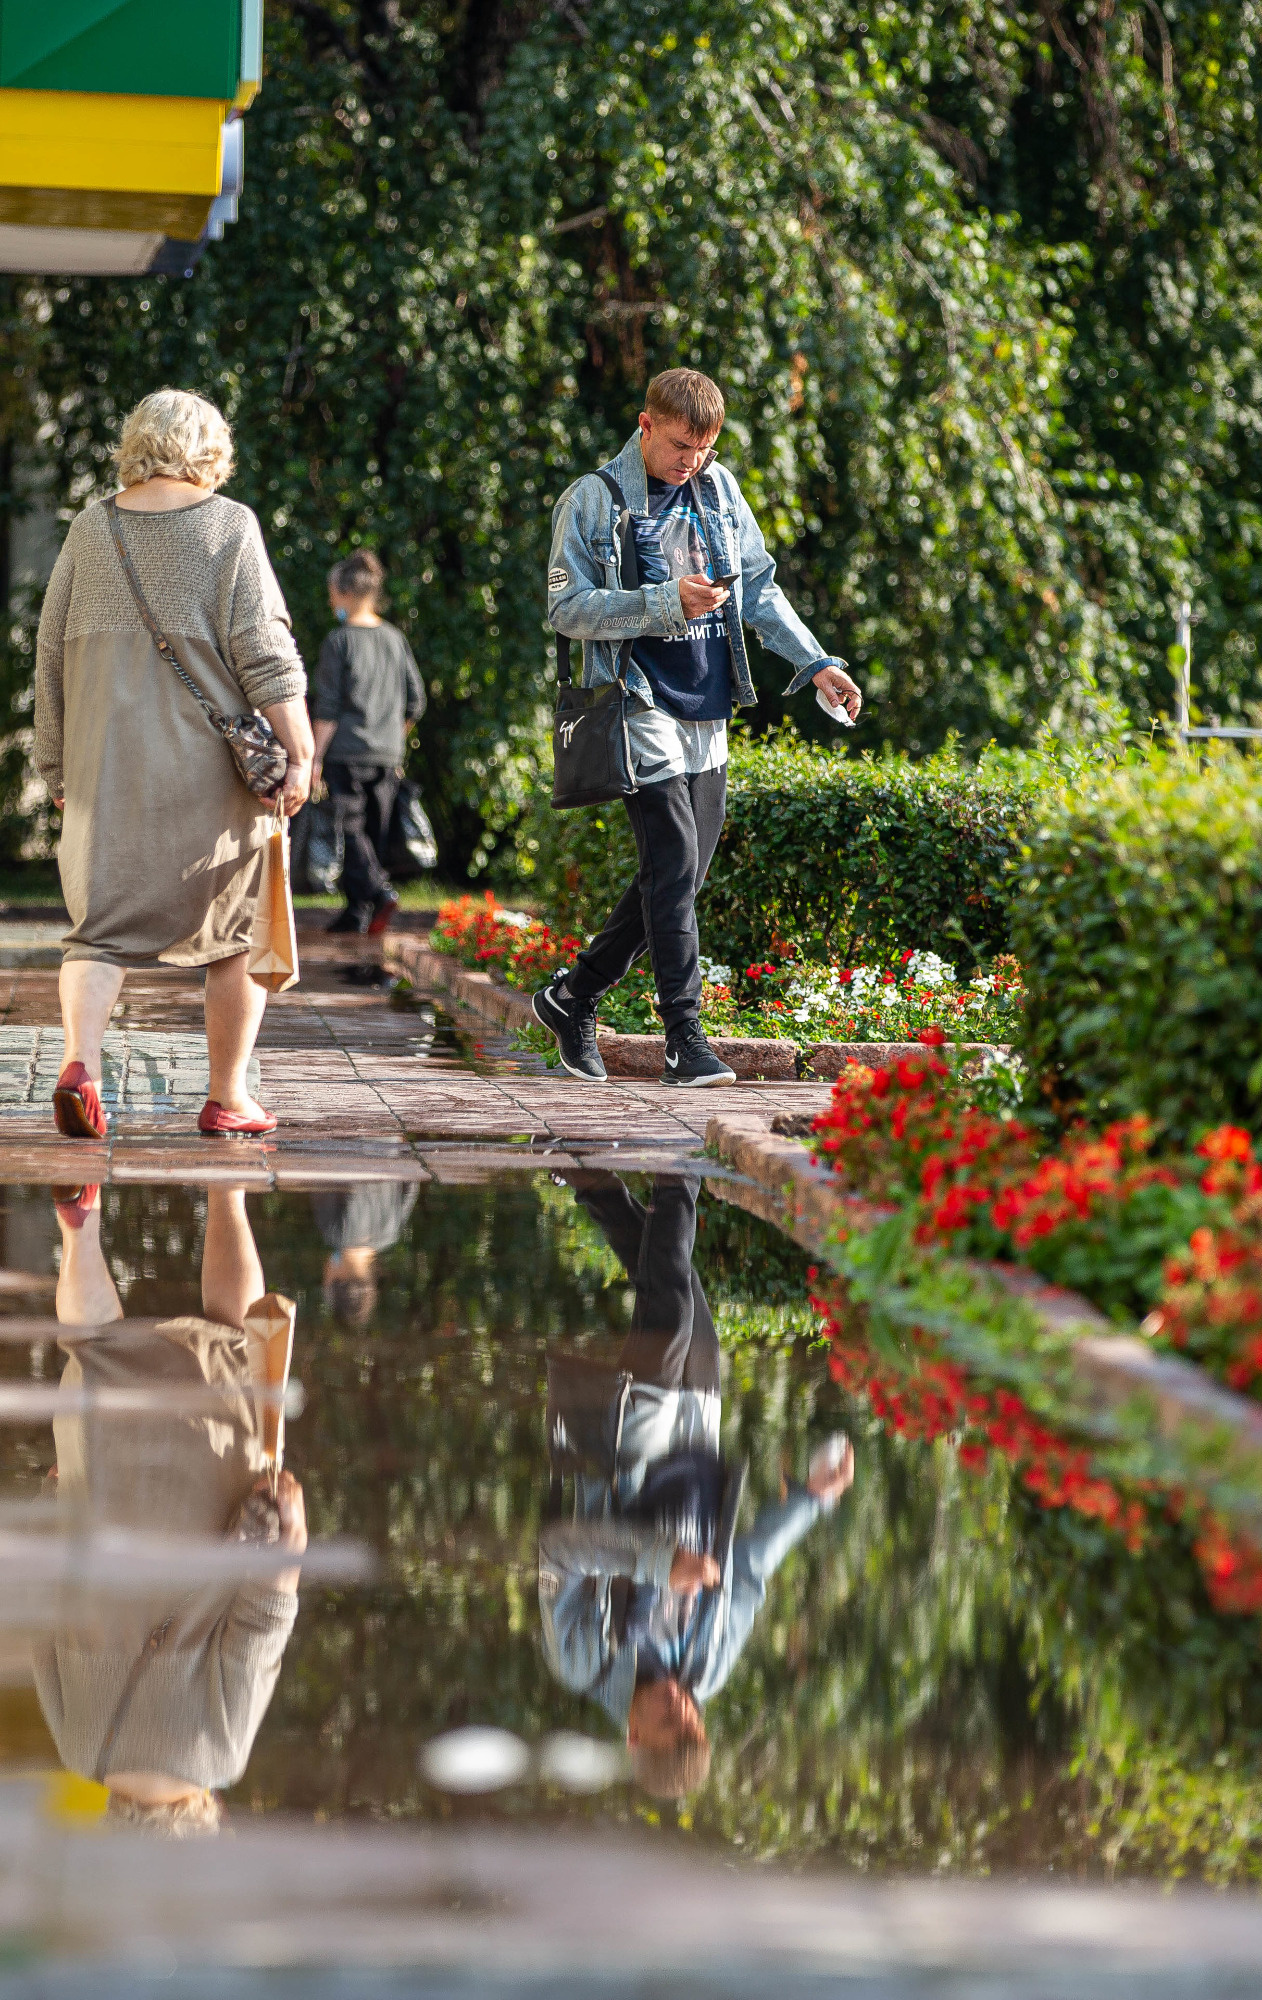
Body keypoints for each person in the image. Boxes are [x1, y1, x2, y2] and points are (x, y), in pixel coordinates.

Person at [531, 369, 867, 1088]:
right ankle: (685, 1038)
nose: (692, 462)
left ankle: (573, 995)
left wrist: (815, 665)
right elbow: (566, 610)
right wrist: (662, 603)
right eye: (682, 445)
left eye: (705, 449)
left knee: (678, 875)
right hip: (637, 700)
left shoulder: (719, 491)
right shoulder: (596, 498)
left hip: (708, 704)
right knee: (674, 865)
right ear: (646, 425)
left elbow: (761, 588)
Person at [36, 389, 317, 1141]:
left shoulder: (90, 530)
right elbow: (263, 649)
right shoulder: (229, 526)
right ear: (211, 450)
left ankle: (79, 1066)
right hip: (210, 782)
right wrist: (300, 746)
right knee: (233, 931)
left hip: (106, 774)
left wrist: (56, 763)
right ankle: (229, 1097)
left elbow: (50, 650)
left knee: (98, 933)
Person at [536, 1173, 856, 1799]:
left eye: (666, 1718)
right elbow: (749, 1573)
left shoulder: (580, 1661)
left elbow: (558, 1549)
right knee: (692, 1316)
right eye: (693, 1719)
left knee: (673, 1312)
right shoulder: (709, 1667)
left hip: (631, 1458)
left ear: (633, 1737)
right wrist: (812, 1502)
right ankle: (592, 1183)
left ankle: (679, 1163)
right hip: (698, 1462)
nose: (683, 1701)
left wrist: (658, 1563)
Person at [39, 1179, 307, 1834]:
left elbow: (260, 1625)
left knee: (238, 1338)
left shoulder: (219, 1755)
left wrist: (291, 1537)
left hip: (209, 1509)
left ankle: (227, 1190)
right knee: (94, 1347)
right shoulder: (80, 1752)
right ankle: (80, 1231)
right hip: (104, 1498)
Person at [308, 550, 427, 937]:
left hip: (346, 752)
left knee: (350, 829)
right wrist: (395, 740)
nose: (330, 603)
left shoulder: (338, 641)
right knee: (374, 831)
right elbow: (416, 701)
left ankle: (378, 892)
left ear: (343, 593)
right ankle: (357, 911)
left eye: (331, 595)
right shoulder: (395, 638)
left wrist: (313, 757)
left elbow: (327, 707)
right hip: (387, 754)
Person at [307, 1180, 418, 1324]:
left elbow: (412, 1184)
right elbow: (321, 1179)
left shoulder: (392, 1234)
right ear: (336, 1279)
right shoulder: (334, 1234)